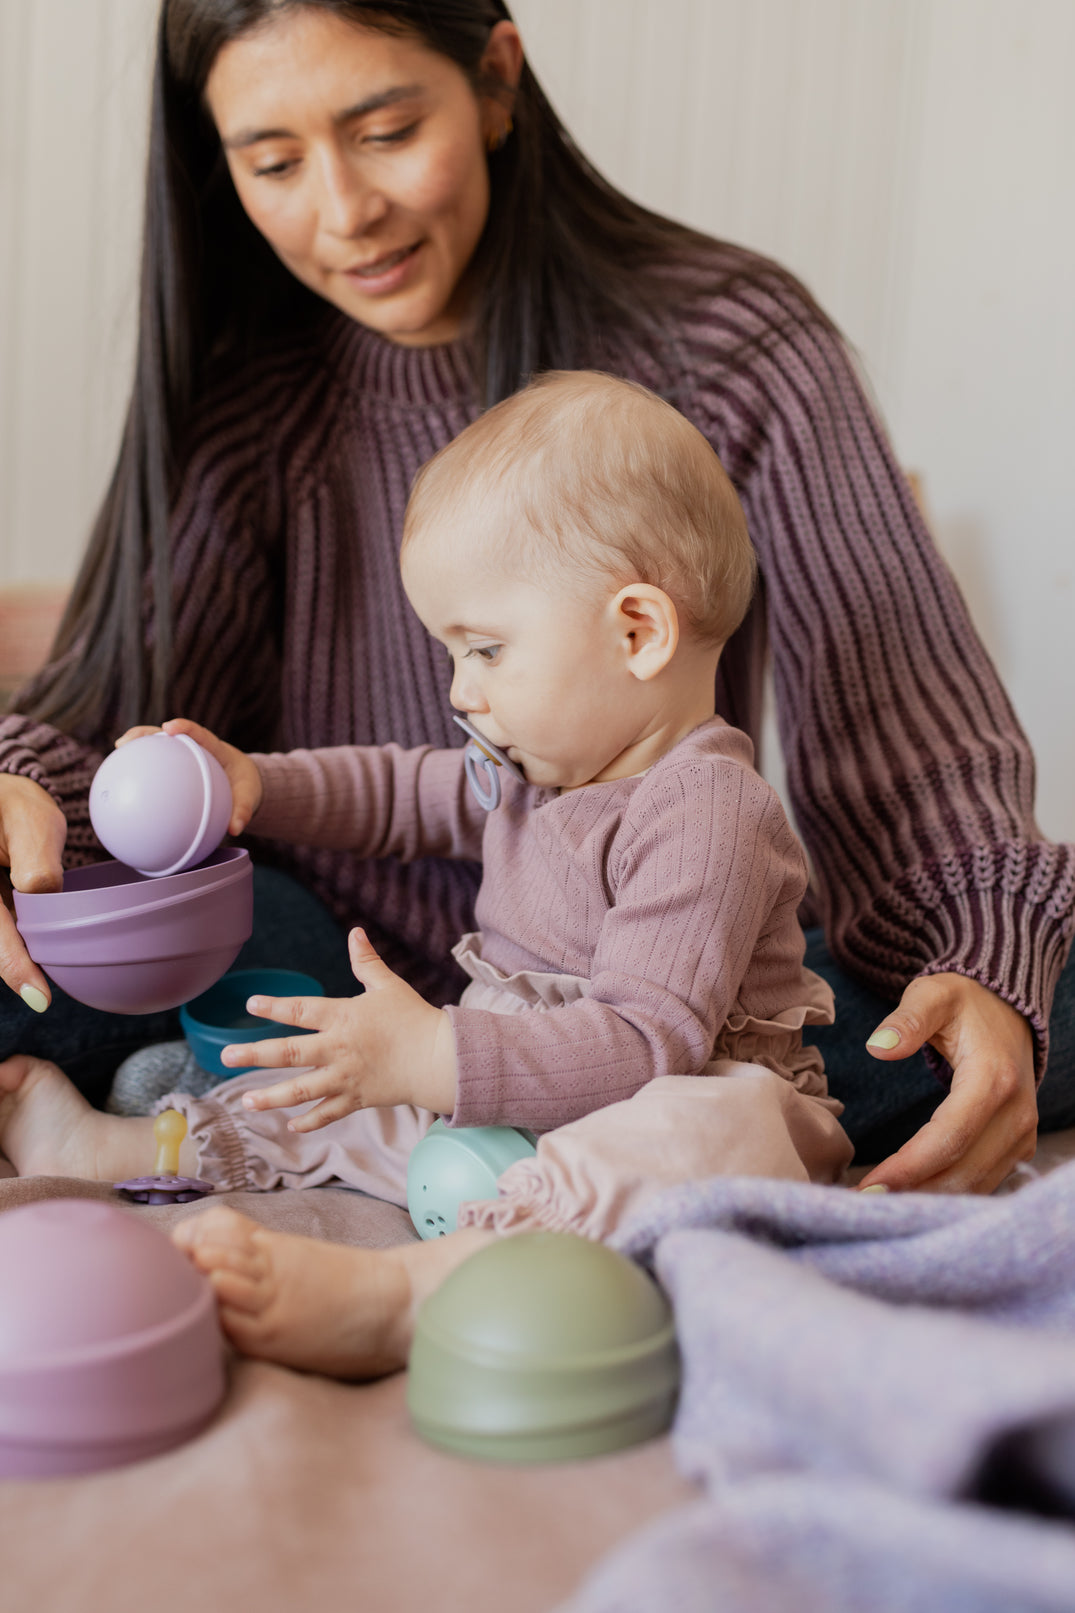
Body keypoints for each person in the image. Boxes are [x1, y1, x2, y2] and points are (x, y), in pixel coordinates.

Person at [0, 0, 1071, 1195]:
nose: (345, 213)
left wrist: (984, 954)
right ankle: (252, 1104)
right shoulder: (254, 410)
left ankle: (252, 1109)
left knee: (1009, 984)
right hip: (349, 966)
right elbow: (115, 741)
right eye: (273, 161)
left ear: (497, 82)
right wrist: (22, 794)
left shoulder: (731, 350)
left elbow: (905, 727)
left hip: (652, 974)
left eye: (388, 129)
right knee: (89, 953)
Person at [0, 370, 856, 1373]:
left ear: (636, 631)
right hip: (511, 1092)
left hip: (670, 1094)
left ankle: (411, 1293)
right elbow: (398, 794)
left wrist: (438, 1057)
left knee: (709, 1130)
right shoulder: (535, 771)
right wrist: (251, 787)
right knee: (349, 1091)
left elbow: (643, 1043)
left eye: (486, 648)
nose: (460, 690)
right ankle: (133, 1149)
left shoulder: (704, 805)